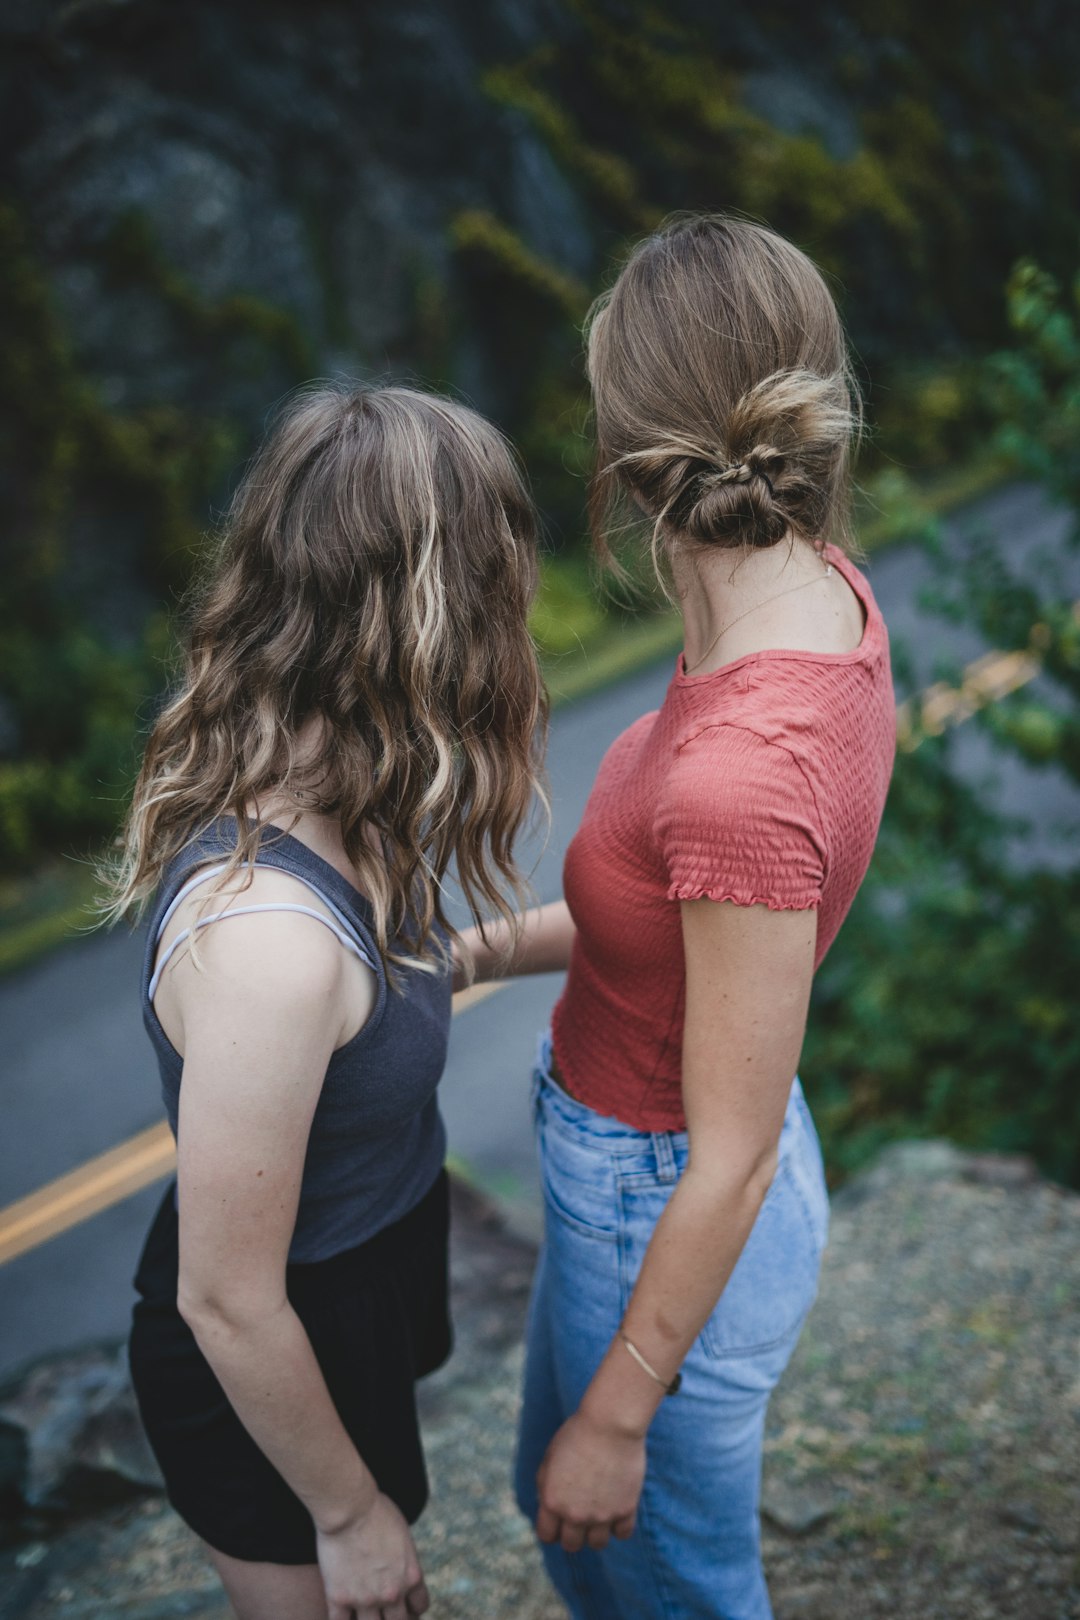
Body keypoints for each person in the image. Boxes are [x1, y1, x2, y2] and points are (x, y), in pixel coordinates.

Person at [454, 214, 896, 1618]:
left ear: (631, 454)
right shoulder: (814, 594)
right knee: (584, 1536)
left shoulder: (737, 773)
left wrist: (620, 1416)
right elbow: (683, 931)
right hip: (650, 1180)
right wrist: (481, 951)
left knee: (662, 1585)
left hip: (665, 1208)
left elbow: (733, 1159)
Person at [104, 384, 547, 1620]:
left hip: (359, 1287)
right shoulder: (266, 944)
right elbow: (226, 1300)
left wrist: (624, 929)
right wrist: (347, 1516)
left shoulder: (348, 787)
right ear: (429, 618)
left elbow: (404, 978)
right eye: (500, 584)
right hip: (267, 1353)